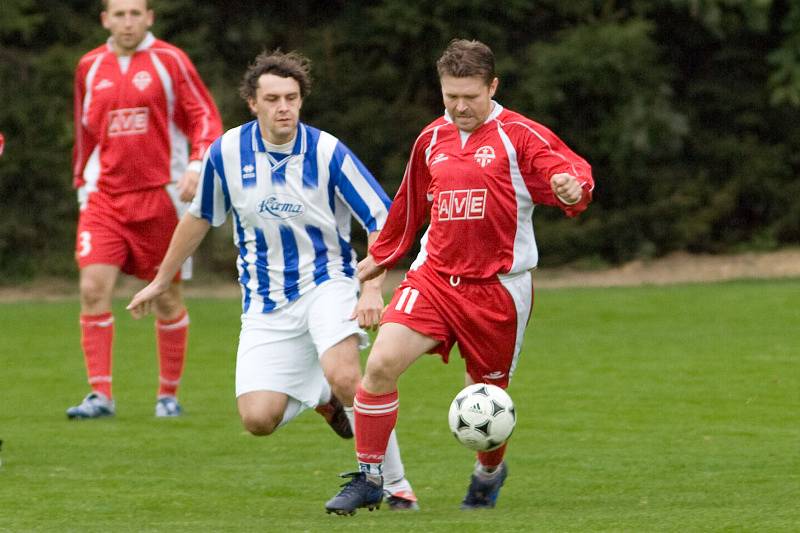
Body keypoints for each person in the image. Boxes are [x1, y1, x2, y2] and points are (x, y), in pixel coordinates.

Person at [126, 49, 418, 510]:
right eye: (274, 98)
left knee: (347, 375)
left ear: (301, 101)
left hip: (329, 283)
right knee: (258, 419)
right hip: (264, 302)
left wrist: (371, 285)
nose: (284, 107)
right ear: (253, 103)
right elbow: (200, 216)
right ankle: (323, 398)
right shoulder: (226, 151)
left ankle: (396, 486)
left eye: (292, 97)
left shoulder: (326, 151)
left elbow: (384, 218)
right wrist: (162, 279)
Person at [324, 38, 595, 514]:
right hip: (433, 278)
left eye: (470, 95)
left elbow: (569, 172)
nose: (460, 106)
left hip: (498, 291)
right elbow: (408, 207)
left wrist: (573, 189)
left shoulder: (519, 136)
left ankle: (489, 472)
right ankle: (370, 477)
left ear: (493, 86)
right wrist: (382, 259)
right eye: (451, 95)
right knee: (381, 364)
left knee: (487, 399)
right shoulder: (431, 139)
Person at [67, 0, 222, 419]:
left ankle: (167, 395)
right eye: (119, 14)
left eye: (135, 13)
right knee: (92, 289)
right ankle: (100, 395)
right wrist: (82, 181)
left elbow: (204, 116)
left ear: (149, 17)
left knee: (168, 298)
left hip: (163, 196)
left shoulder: (170, 61)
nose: (128, 21)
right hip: (104, 198)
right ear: (105, 20)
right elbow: (85, 134)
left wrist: (196, 164)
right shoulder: (89, 67)